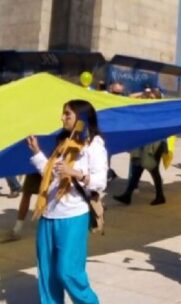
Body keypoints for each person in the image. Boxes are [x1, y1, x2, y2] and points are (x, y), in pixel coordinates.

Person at [26, 99, 108, 304]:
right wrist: (37, 152)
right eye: (63, 113)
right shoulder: (63, 142)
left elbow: (99, 183)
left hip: (73, 215)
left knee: (68, 272)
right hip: (49, 213)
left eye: (68, 114)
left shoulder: (93, 147)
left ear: (81, 119)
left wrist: (75, 173)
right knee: (47, 272)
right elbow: (50, 175)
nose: (62, 118)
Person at [113, 140, 167, 205]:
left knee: (153, 169)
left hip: (156, 142)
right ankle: (127, 195)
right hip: (147, 143)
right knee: (138, 167)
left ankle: (160, 196)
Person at [5, 173, 42, 241]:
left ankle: (17, 230)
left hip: (50, 166)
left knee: (47, 195)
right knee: (27, 193)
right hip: (35, 169)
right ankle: (17, 229)